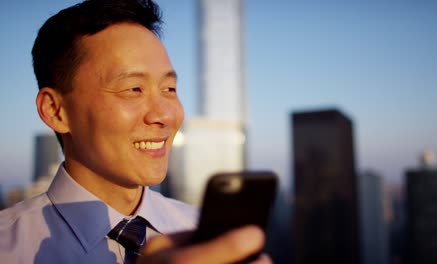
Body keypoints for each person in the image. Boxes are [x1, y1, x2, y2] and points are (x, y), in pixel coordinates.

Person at [0, 0, 270, 263]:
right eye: (133, 89)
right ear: (56, 111)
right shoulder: (8, 249)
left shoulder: (203, 236)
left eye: (169, 89)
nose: (163, 115)